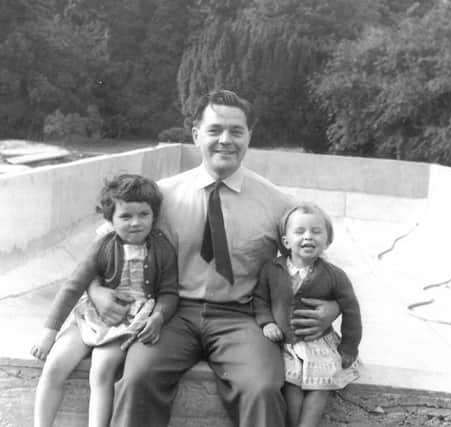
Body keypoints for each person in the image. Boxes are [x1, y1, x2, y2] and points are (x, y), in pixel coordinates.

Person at [88, 89, 341, 427]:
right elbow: (101, 247)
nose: (226, 140)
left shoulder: (278, 203)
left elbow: (317, 266)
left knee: (263, 388)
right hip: (172, 313)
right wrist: (96, 291)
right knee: (137, 379)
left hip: (244, 316)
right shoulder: (161, 196)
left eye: (236, 131)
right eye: (214, 130)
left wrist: (332, 308)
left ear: (250, 135)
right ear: (196, 135)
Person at [30, 174, 179, 427]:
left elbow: (169, 293)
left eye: (144, 214)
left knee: (101, 371)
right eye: (125, 216)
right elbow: (73, 286)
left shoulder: (162, 249)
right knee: (55, 364)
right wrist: (49, 332)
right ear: (110, 219)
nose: (136, 223)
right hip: (91, 315)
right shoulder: (103, 246)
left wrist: (158, 316)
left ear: (154, 216)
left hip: (128, 322)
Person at [254, 203, 362, 427]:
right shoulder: (271, 269)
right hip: (287, 344)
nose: (308, 237)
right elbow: (260, 300)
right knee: (291, 386)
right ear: (286, 242)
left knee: (320, 387)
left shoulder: (335, 275)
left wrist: (349, 347)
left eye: (316, 231)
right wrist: (267, 323)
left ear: (327, 240)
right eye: (299, 231)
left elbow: (351, 310)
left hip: (319, 343)